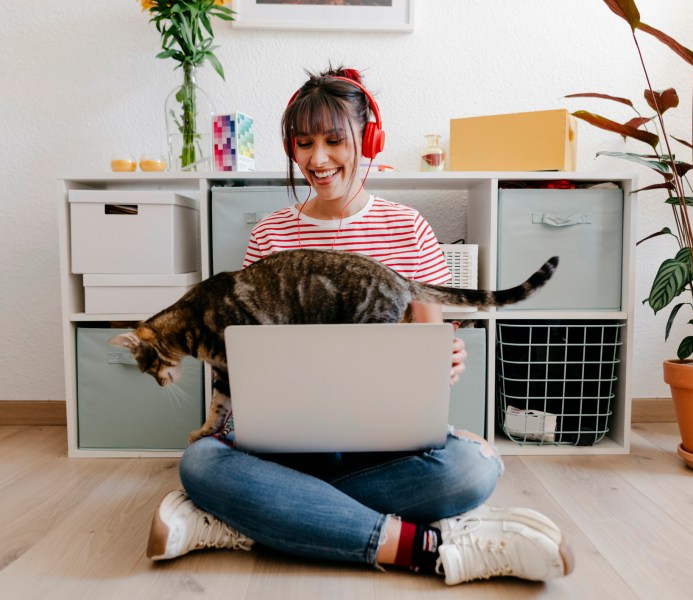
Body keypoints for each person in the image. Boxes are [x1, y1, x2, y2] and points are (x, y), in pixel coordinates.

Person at [145, 66, 574, 586]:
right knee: (201, 465)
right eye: (303, 144)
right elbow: (247, 358)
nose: (317, 159)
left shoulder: (407, 226)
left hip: (382, 445)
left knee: (474, 467)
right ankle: (426, 547)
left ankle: (254, 519)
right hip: (288, 445)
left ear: (366, 140)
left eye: (333, 140)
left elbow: (436, 344)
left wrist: (444, 360)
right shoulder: (269, 235)